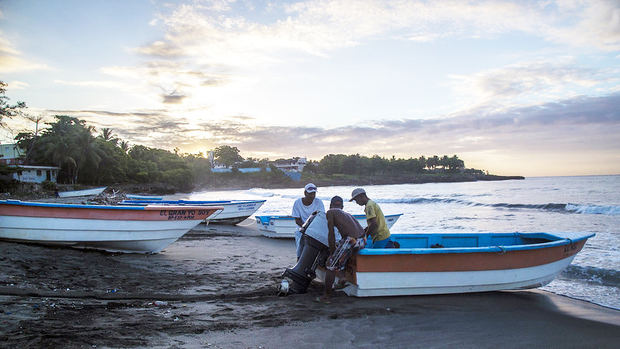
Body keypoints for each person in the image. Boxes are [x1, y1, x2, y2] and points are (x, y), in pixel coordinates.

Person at [319, 195, 365, 303]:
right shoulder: (347, 214)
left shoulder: (330, 212)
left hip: (351, 240)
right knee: (341, 256)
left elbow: (331, 234)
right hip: (363, 239)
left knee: (331, 264)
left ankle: (326, 297)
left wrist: (331, 253)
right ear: (342, 207)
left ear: (330, 206)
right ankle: (342, 278)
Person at [292, 183, 325, 259]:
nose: (312, 196)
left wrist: (312, 230)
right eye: (310, 194)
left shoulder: (318, 202)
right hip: (301, 228)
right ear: (305, 193)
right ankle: (299, 260)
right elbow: (297, 220)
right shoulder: (297, 202)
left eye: (314, 193)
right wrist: (306, 229)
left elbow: (320, 217)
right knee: (300, 250)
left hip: (315, 228)